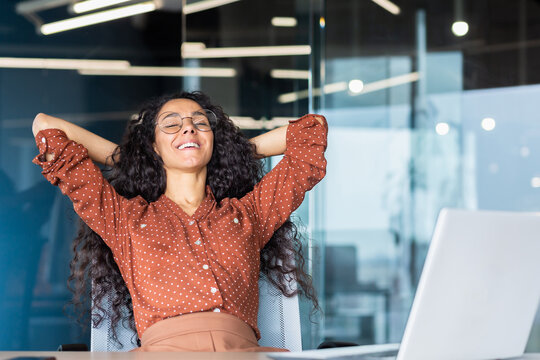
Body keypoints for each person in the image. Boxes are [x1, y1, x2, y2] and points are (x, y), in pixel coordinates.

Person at [32, 91, 328, 352]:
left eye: (200, 123)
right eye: (172, 125)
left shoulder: (250, 214)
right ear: (154, 146)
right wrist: (135, 160)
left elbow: (311, 132)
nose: (188, 127)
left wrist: (230, 154)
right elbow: (46, 126)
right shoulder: (123, 219)